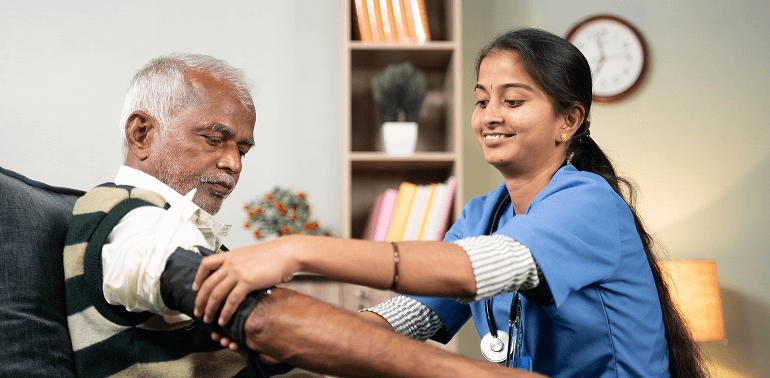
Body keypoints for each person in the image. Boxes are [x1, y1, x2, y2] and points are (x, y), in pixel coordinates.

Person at [192, 29, 709, 378]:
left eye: (513, 100)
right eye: (482, 99)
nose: (489, 115)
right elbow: (395, 323)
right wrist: (275, 339)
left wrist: (297, 250)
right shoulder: (484, 214)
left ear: (568, 121)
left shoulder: (588, 202)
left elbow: (470, 271)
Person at [63, 52, 544, 378]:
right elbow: (262, 320)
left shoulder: (176, 225)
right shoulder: (130, 222)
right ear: (142, 133)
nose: (233, 163)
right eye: (214, 139)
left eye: (242, 149)